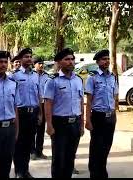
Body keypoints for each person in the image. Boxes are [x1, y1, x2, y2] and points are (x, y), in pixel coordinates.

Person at [43, 48, 84, 178]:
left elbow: (81, 102)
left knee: (70, 158)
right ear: (59, 63)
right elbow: (48, 104)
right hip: (59, 123)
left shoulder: (78, 80)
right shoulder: (52, 81)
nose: (70, 62)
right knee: (58, 159)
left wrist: (82, 124)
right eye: (67, 59)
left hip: (75, 122)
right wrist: (49, 125)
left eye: (72, 59)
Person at [85, 49, 118, 178]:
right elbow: (89, 101)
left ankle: (102, 170)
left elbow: (114, 97)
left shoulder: (113, 77)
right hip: (97, 116)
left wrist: (115, 115)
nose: (107, 61)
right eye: (104, 59)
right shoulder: (92, 77)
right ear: (98, 62)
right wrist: (87, 120)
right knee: (96, 146)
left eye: (108, 59)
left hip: (110, 116)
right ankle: (94, 172)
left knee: (107, 145)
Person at [11, 48, 40, 178]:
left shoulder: (35, 75)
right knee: (19, 144)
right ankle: (19, 171)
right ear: (20, 59)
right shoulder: (14, 76)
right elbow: (12, 98)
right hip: (20, 113)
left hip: (33, 113)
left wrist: (40, 114)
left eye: (30, 56)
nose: (29, 59)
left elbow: (39, 95)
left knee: (29, 144)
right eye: (26, 57)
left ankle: (25, 170)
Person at [31, 57, 49, 160]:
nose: (41, 65)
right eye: (39, 63)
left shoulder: (47, 76)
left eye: (42, 63)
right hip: (34, 105)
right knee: (33, 130)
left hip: (44, 104)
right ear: (34, 65)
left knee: (41, 129)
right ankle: (32, 151)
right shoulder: (31, 75)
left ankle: (39, 151)